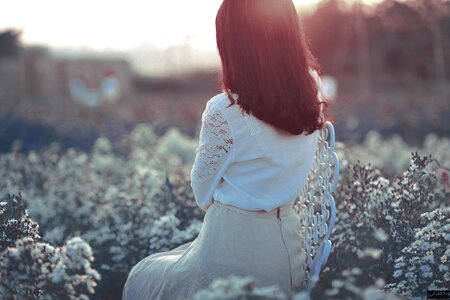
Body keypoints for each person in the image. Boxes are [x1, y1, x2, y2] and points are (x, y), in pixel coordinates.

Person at [122, 0, 329, 299]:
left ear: (236, 46)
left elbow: (201, 194)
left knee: (142, 277)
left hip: (229, 253)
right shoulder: (311, 87)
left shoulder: (225, 110)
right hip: (286, 255)